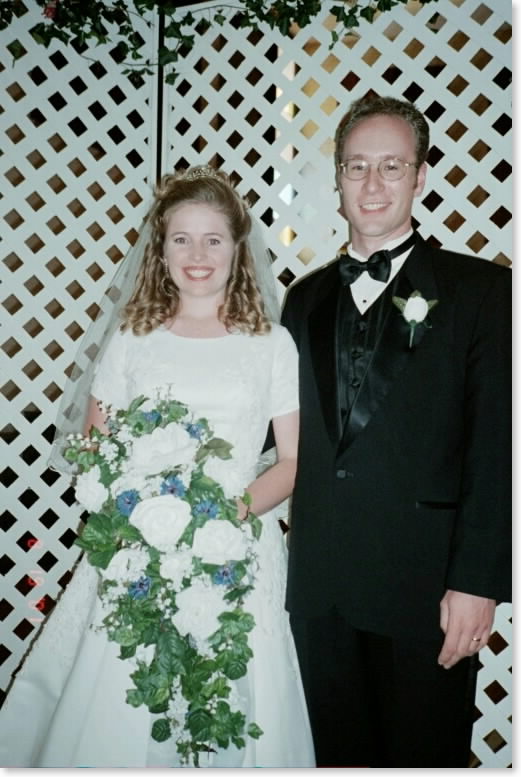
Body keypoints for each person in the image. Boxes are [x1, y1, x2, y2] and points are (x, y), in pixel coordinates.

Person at [0, 166, 315, 768]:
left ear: (237, 249)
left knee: (233, 696)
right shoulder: (133, 337)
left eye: (213, 239)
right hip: (137, 551)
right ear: (161, 250)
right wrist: (144, 526)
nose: (197, 255)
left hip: (239, 547)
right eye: (181, 239)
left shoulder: (271, 343)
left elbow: (294, 460)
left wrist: (222, 521)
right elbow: (95, 452)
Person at [281, 95, 511, 768]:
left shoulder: (482, 293)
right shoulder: (305, 299)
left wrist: (477, 582)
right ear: (338, 178)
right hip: (320, 589)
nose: (373, 184)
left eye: (391, 165)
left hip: (427, 591)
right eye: (357, 166)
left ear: (420, 176)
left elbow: (498, 447)